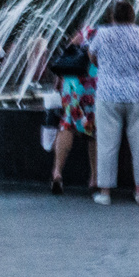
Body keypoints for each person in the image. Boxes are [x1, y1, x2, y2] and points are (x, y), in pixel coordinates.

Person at [88, 0, 139, 206]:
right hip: (137, 96)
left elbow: (92, 57)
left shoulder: (101, 34)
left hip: (107, 94)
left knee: (106, 143)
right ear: (133, 16)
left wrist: (108, 68)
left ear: (113, 17)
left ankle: (105, 192)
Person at [50, 29, 98, 196]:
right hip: (91, 82)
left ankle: (57, 172)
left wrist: (58, 81)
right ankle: (94, 178)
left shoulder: (83, 32)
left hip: (70, 84)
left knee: (67, 122)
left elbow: (66, 56)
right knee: (92, 130)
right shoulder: (102, 32)